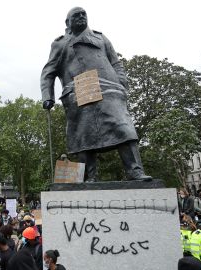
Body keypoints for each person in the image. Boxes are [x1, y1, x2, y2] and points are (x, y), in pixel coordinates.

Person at [40, 6, 151, 182]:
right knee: (84, 135)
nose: (81, 17)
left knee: (124, 127)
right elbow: (48, 72)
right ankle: (89, 177)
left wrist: (122, 83)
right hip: (80, 89)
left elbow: (115, 63)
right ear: (67, 22)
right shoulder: (60, 44)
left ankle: (134, 170)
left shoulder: (100, 37)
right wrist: (48, 96)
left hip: (109, 88)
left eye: (84, 14)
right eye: (76, 15)